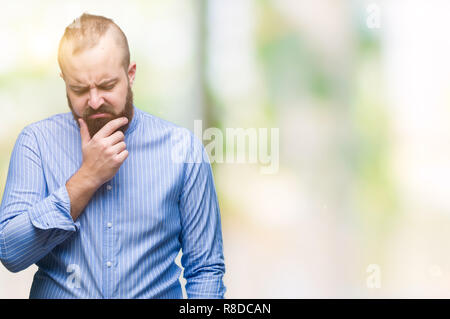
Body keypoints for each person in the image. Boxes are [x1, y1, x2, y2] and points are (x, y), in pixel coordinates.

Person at [0, 13, 226, 299]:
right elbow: (10, 253)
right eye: (79, 89)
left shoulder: (184, 151)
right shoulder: (36, 144)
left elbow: (205, 269)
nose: (94, 101)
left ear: (130, 74)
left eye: (107, 86)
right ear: (64, 81)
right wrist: (85, 179)